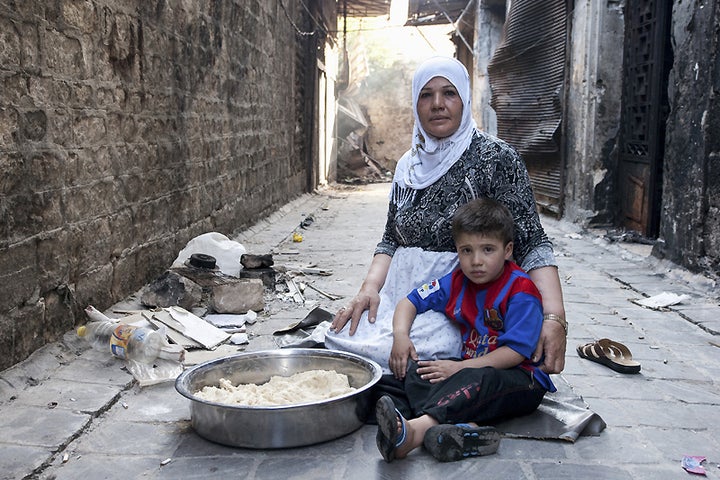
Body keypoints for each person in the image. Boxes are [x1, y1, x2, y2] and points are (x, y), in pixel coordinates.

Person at [325, 55, 567, 376]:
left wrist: (554, 318)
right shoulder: (407, 167)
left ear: (465, 99)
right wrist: (369, 290)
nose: (437, 104)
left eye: (449, 93)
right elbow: (390, 240)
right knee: (340, 339)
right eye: (426, 95)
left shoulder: (496, 159)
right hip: (404, 301)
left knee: (414, 358)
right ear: (415, 103)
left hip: (459, 302)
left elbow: (531, 241)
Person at [375, 197, 556, 462]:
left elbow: (515, 353)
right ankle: (458, 432)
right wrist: (400, 336)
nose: (476, 261)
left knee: (479, 379)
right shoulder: (457, 281)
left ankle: (412, 433)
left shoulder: (521, 291)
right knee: (414, 373)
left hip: (519, 379)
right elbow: (409, 302)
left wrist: (459, 368)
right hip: (472, 371)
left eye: (487, 250)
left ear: (507, 251)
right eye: (466, 251)